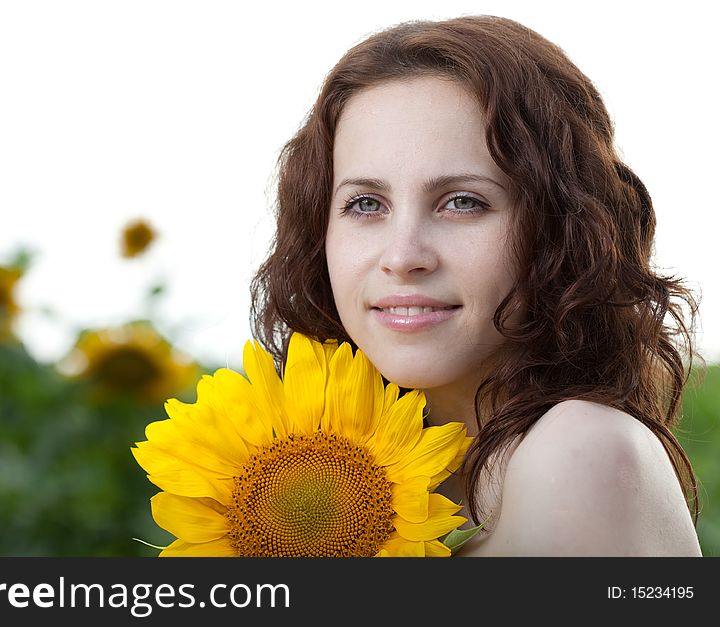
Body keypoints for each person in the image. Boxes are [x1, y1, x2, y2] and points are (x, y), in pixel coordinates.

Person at [250, 14, 702, 556]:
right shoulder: (327, 493)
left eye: (463, 202)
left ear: (559, 227)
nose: (402, 257)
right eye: (366, 204)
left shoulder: (580, 451)